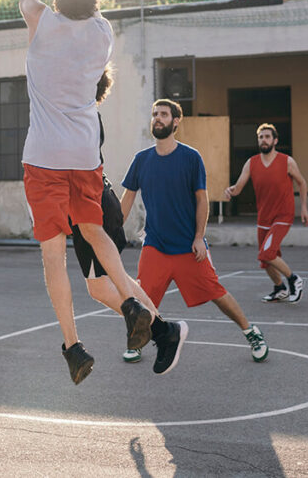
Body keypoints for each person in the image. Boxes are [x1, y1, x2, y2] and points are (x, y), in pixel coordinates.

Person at [19, 0, 187, 384]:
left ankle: (73, 346)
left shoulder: (41, 23)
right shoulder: (101, 34)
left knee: (53, 255)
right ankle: (133, 306)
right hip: (83, 160)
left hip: (45, 158)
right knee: (94, 233)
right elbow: (83, 2)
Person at [115, 99, 268, 365]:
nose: (157, 118)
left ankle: (251, 332)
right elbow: (127, 199)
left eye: (164, 114)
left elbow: (201, 199)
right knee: (141, 298)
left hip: (188, 246)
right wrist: (111, 231)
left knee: (216, 293)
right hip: (155, 245)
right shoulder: (141, 160)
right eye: (155, 114)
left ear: (176, 121)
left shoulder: (190, 157)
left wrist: (199, 237)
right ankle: (137, 341)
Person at [224, 123, 308, 303]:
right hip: (264, 217)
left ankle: (294, 279)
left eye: (267, 137)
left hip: (283, 215)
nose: (264, 140)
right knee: (266, 260)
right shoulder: (251, 163)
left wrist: (304, 207)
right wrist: (230, 190)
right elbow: (238, 187)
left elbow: (302, 182)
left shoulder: (287, 161)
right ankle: (280, 288)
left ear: (275, 140)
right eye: (261, 137)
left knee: (266, 253)